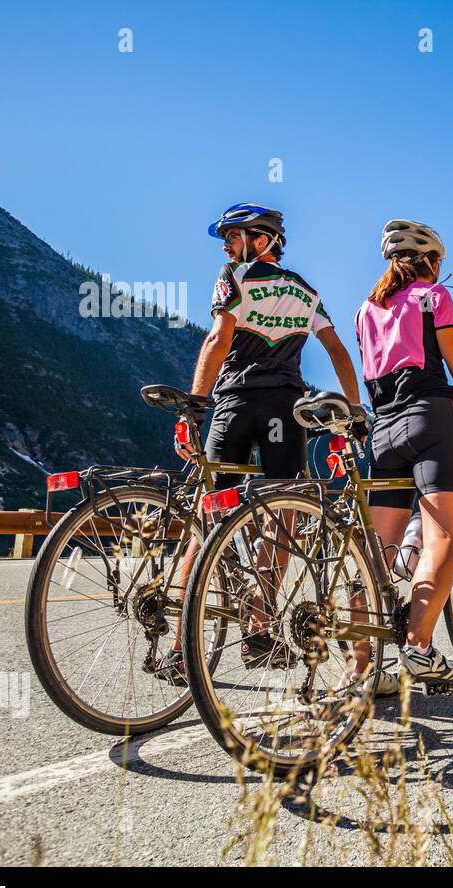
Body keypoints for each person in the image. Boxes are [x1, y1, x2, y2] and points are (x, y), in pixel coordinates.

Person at [154, 203, 362, 684]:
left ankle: (184, 650)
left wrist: (193, 406)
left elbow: (218, 338)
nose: (226, 245)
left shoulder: (234, 277)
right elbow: (336, 351)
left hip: (233, 406)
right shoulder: (305, 291)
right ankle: (259, 631)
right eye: (226, 237)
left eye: (233, 235)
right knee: (281, 518)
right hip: (284, 413)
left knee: (210, 515)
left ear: (262, 240)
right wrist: (351, 411)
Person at [354, 219, 453, 688]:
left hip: (383, 430)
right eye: (439, 262)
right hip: (429, 419)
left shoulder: (364, 311)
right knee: (444, 535)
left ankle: (363, 669)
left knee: (375, 557)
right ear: (429, 261)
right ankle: (419, 649)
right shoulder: (434, 297)